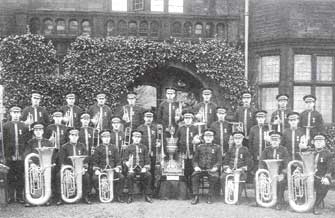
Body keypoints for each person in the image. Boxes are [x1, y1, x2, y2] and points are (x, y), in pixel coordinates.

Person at [3, 106, 30, 203]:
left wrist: (25, 154)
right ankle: (10, 196)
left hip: (21, 156)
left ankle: (19, 196)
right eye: (14, 113)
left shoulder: (24, 126)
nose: (16, 115)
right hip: (10, 156)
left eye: (18, 113)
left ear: (20, 114)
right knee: (10, 176)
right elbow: (3, 143)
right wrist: (6, 155)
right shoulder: (5, 126)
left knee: (20, 176)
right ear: (10, 114)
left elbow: (27, 142)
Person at [24, 122, 55, 207]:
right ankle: (30, 200)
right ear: (34, 132)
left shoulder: (48, 142)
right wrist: (32, 164)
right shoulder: (29, 142)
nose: (38, 132)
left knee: (49, 177)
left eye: (40, 130)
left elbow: (53, 154)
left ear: (43, 131)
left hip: (45, 166)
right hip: (34, 166)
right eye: (36, 130)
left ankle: (48, 198)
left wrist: (48, 165)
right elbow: (26, 155)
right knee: (27, 176)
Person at [58, 128, 91, 205]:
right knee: (58, 176)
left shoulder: (82, 146)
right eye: (72, 135)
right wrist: (65, 169)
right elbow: (61, 160)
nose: (74, 137)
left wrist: (84, 168)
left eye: (76, 135)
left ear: (78, 137)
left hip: (80, 170)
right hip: (68, 169)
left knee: (86, 176)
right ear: (69, 136)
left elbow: (86, 159)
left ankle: (85, 196)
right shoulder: (64, 147)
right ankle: (61, 197)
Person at [91, 129, 125, 203]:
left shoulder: (114, 148)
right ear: (101, 138)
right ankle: (99, 194)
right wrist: (96, 169)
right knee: (94, 178)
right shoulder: (98, 148)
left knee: (121, 177)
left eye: (108, 137)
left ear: (110, 138)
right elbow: (95, 162)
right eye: (104, 137)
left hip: (112, 170)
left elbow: (118, 160)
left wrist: (118, 167)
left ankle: (118, 195)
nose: (106, 139)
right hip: (102, 170)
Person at [259, 131, 289, 210]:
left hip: (280, 174)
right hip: (268, 174)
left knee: (281, 182)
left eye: (276, 140)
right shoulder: (266, 150)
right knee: (258, 180)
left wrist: (283, 174)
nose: (274, 142)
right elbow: (261, 162)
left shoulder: (284, 150)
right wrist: (262, 173)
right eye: (273, 140)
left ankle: (279, 202)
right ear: (270, 141)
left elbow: (287, 164)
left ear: (279, 141)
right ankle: (260, 200)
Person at [221, 131, 253, 203]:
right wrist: (227, 168)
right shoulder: (230, 149)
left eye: (239, 138)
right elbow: (225, 161)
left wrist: (242, 169)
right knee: (223, 177)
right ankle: (227, 196)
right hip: (230, 170)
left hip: (240, 171)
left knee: (241, 178)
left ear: (242, 139)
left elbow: (249, 163)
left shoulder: (245, 150)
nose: (238, 140)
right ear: (234, 140)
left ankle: (237, 197)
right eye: (236, 138)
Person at [191, 129, 222, 205]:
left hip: (211, 170)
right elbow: (194, 160)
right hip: (200, 169)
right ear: (203, 137)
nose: (208, 138)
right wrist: (196, 167)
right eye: (206, 136)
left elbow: (219, 161)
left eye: (210, 136)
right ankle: (196, 196)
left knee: (214, 177)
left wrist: (216, 167)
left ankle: (210, 195)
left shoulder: (217, 148)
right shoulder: (199, 147)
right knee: (194, 176)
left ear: (213, 138)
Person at [123, 130, 153, 204]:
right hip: (132, 169)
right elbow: (124, 159)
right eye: (135, 137)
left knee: (148, 175)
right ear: (132, 138)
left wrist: (145, 168)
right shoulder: (128, 147)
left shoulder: (144, 147)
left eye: (138, 137)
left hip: (142, 169)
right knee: (130, 176)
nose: (137, 139)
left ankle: (147, 195)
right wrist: (127, 164)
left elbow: (147, 160)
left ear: (141, 138)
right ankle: (130, 195)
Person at [175, 111, 199, 196]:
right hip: (183, 154)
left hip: (193, 154)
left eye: (189, 118)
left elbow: (200, 140)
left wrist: (197, 141)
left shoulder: (195, 128)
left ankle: (193, 190)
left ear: (192, 119)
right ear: (183, 119)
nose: (187, 120)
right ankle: (185, 190)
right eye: (186, 118)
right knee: (184, 172)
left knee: (192, 171)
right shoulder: (180, 128)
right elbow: (176, 140)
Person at [311, 133, 334, 215]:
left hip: (320, 177)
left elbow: (330, 167)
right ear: (313, 142)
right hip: (309, 177)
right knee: (296, 181)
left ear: (324, 143)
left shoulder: (328, 154)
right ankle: (301, 202)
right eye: (316, 141)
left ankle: (316, 205)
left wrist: (327, 177)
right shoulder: (309, 152)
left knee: (324, 185)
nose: (318, 143)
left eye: (320, 141)